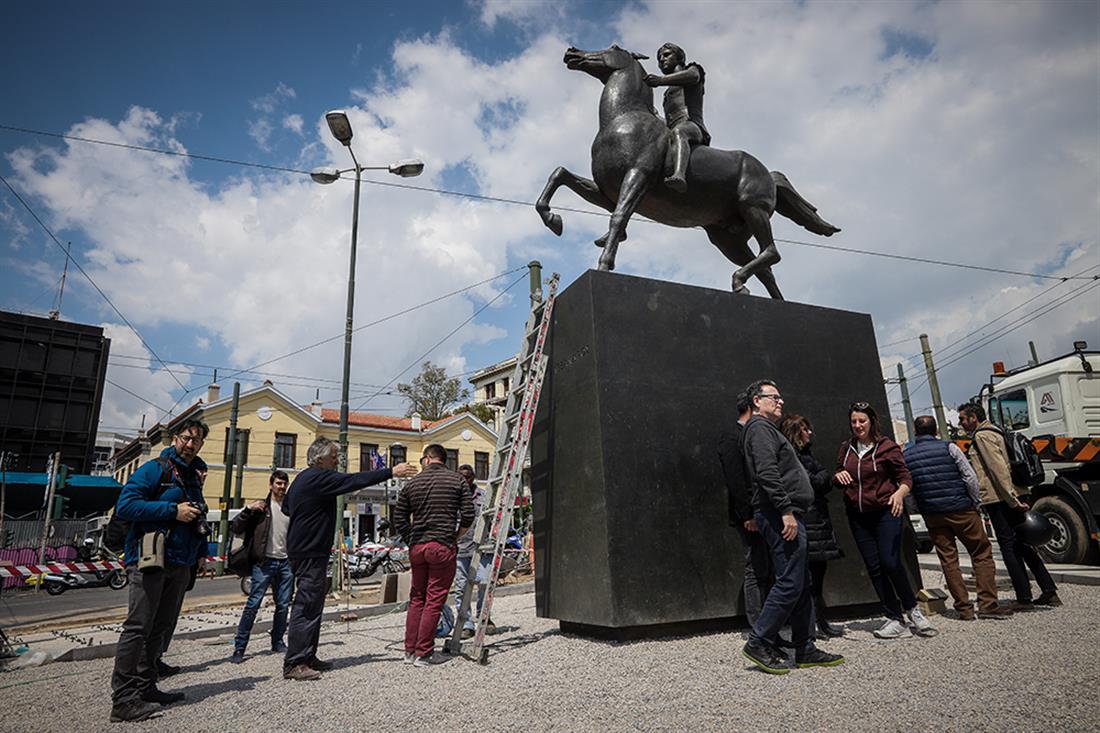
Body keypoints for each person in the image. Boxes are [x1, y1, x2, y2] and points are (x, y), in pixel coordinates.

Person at [281, 437, 417, 681]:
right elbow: (353, 480)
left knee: (314, 605)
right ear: (320, 458)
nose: (337, 461)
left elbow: (287, 509)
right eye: (334, 456)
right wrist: (391, 471)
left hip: (306, 549)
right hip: (310, 551)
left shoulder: (301, 479)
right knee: (307, 605)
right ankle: (295, 662)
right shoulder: (318, 477)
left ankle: (308, 656)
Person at [109, 418, 210, 723]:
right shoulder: (156, 469)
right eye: (186, 438)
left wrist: (201, 553)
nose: (190, 445)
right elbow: (126, 506)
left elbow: (196, 517)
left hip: (180, 562)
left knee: (162, 626)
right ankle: (123, 699)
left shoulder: (194, 476)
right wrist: (172, 511)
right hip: (150, 560)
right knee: (138, 628)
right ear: (175, 438)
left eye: (196, 440)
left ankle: (146, 685)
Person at [740, 380, 843, 674]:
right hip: (778, 514)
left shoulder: (768, 430)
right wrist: (785, 511)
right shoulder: (759, 429)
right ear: (757, 401)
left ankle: (804, 647)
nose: (780, 401)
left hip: (790, 512)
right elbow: (767, 472)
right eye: (774, 397)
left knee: (801, 582)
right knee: (789, 581)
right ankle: (759, 641)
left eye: (780, 396)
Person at [835, 402, 934, 639]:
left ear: (871, 421)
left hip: (886, 512)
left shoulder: (886, 447)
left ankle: (912, 608)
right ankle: (893, 616)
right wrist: (838, 475)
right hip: (858, 515)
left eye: (862, 421)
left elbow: (905, 477)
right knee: (874, 566)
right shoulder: (846, 448)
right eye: (854, 422)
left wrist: (899, 493)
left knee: (890, 562)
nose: (858, 426)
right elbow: (839, 472)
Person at [904, 415, 1013, 621]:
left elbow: (909, 490)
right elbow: (969, 476)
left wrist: (920, 507)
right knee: (981, 552)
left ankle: (964, 608)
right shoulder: (950, 447)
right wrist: (975, 501)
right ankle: (988, 605)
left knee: (948, 558)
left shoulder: (907, 456)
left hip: (933, 514)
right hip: (961, 509)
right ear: (936, 431)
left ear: (916, 432)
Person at [958, 403, 1060, 609]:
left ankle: (1024, 598)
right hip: (1014, 494)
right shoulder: (997, 431)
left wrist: (1012, 499)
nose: (960, 422)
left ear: (973, 418)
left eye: (962, 418)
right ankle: (1049, 591)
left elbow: (998, 470)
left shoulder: (982, 436)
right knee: (1023, 544)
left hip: (1000, 498)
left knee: (1009, 548)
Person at [394, 444, 474, 667]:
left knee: (417, 598)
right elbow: (468, 514)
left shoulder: (412, 484)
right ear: (443, 459)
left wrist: (411, 538)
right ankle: (424, 653)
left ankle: (409, 651)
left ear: (427, 459)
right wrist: (456, 536)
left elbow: (398, 517)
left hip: (418, 548)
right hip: (442, 545)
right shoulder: (456, 481)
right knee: (434, 599)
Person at [779, 414, 844, 638]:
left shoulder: (806, 455)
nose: (810, 433)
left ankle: (821, 621)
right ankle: (813, 623)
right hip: (809, 520)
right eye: (805, 429)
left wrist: (824, 477)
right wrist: (824, 477)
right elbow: (816, 481)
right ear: (796, 432)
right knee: (807, 578)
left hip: (818, 521)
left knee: (817, 577)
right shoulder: (791, 456)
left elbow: (823, 480)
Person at [716, 389, 771, 626]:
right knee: (756, 567)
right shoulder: (732, 437)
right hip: (750, 515)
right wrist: (747, 514)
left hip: (767, 511)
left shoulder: (758, 434)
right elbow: (736, 479)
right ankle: (759, 624)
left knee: (768, 567)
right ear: (752, 405)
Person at [229, 470, 294, 662]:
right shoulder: (261, 508)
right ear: (271, 485)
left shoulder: (291, 509)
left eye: (284, 484)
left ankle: (277, 641)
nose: (282, 487)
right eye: (278, 483)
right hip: (263, 563)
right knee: (253, 605)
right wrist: (248, 509)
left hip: (286, 563)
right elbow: (236, 526)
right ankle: (239, 647)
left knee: (283, 605)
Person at [644, 42, 711, 192]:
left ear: (679, 57)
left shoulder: (693, 69)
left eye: (667, 55)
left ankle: (679, 175)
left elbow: (693, 77)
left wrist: (660, 80)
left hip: (692, 126)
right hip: (672, 130)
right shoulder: (668, 93)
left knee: (679, 132)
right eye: (659, 58)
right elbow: (668, 122)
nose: (662, 59)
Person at [453, 464, 493, 639]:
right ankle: (466, 624)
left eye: (468, 477)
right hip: (461, 549)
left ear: (473, 477)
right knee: (462, 588)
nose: (465, 480)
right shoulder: (452, 497)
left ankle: (485, 618)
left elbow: (492, 518)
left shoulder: (484, 496)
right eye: (461, 477)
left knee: (484, 584)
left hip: (482, 548)